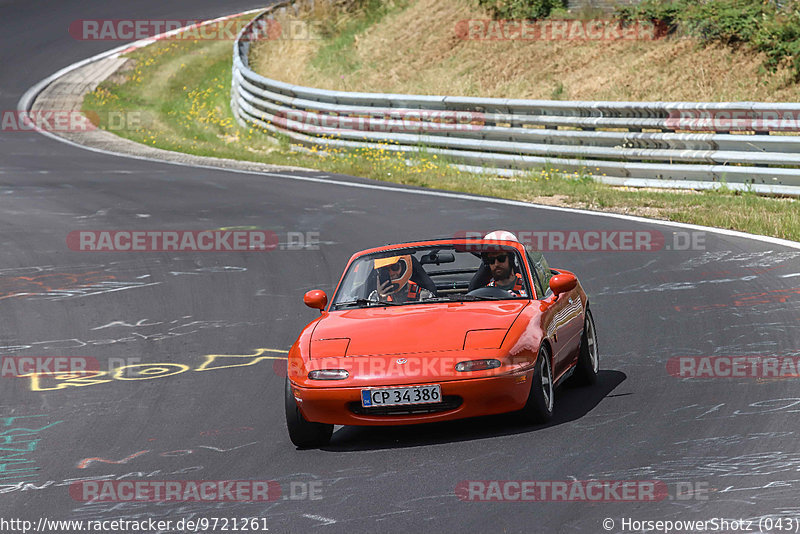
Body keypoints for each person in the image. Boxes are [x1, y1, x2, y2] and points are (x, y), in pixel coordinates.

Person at [482, 230, 527, 297]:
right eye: (491, 260)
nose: (496, 264)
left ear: (511, 260)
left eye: (501, 258)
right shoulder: (486, 291)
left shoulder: (528, 286)